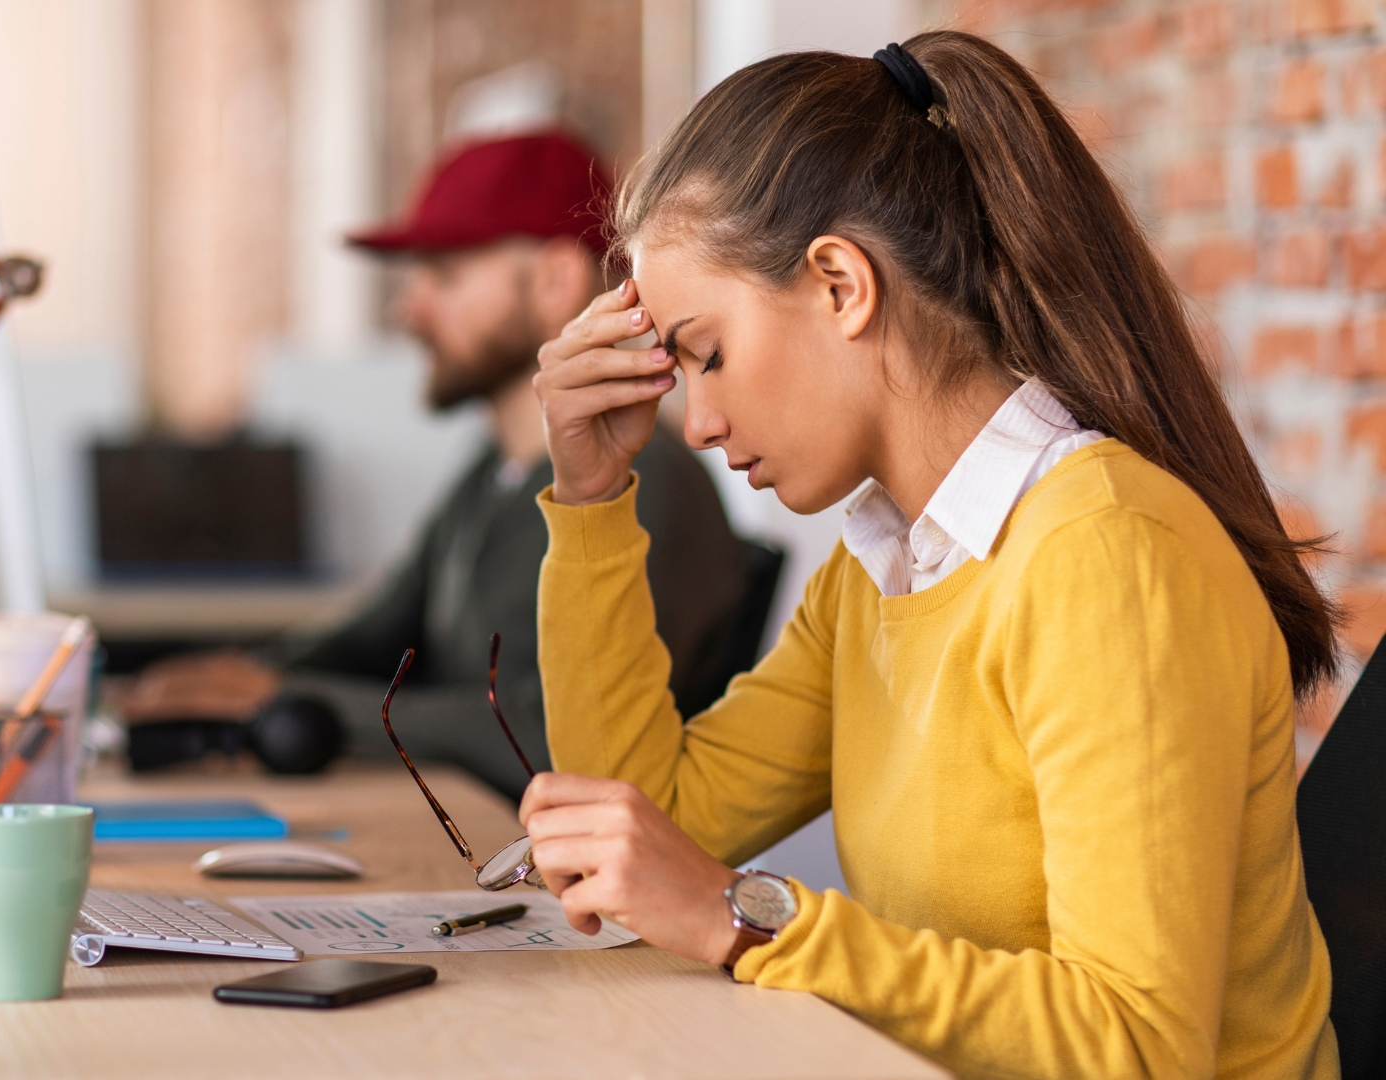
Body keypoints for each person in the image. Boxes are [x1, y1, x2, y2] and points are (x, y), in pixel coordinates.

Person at [520, 33, 1336, 1080]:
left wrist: (746, 918)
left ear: (840, 285)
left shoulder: (1106, 556)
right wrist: (590, 495)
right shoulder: (882, 574)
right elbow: (635, 836)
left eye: (706, 354)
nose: (700, 422)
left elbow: (1137, 1042)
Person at [120, 132, 750, 798]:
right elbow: (383, 634)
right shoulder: (491, 469)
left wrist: (293, 704)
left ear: (553, 280)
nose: (408, 308)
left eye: (444, 277)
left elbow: (546, 737)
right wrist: (239, 680)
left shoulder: (646, 485)